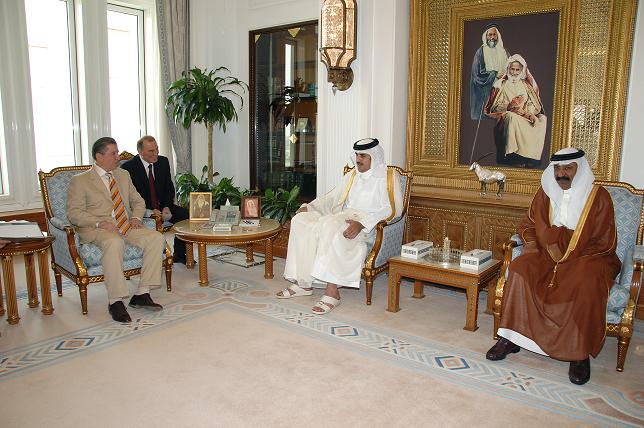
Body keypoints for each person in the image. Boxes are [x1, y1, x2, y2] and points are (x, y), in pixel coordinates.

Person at [486, 148, 620, 385]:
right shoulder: (546, 191)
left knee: (586, 281)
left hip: (586, 256)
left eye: (568, 168)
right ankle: (511, 337)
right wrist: (537, 244)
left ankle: (578, 354)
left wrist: (568, 247)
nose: (561, 174)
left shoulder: (599, 197)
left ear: (580, 169)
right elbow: (529, 226)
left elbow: (605, 240)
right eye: (557, 168)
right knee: (519, 269)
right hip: (545, 251)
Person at [276, 138, 403, 314]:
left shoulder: (388, 176)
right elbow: (331, 197)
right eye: (357, 155)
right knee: (301, 221)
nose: (358, 159)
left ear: (374, 156)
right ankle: (303, 283)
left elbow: (394, 209)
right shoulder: (352, 176)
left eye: (363, 156)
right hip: (342, 218)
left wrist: (362, 224)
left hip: (367, 225)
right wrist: (309, 207)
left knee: (331, 227)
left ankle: (332, 292)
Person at [67, 137, 165, 323]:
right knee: (114, 242)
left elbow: (138, 201)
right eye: (114, 153)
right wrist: (99, 223)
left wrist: (136, 217)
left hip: (126, 224)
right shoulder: (80, 181)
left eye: (117, 152)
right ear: (99, 157)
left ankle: (142, 293)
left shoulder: (123, 175)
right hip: (98, 229)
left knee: (156, 238)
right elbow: (74, 214)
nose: (118, 157)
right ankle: (115, 301)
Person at [121, 135, 190, 264]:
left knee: (186, 216)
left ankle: (179, 254)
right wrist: (151, 210)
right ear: (140, 152)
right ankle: (156, 253)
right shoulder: (128, 168)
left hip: (163, 206)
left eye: (157, 149)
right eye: (151, 151)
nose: (156, 153)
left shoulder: (163, 161)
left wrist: (167, 206)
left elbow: (169, 188)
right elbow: (132, 198)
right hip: (144, 209)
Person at [485, 54, 547, 167]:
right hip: (509, 114)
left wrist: (527, 113)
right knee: (511, 116)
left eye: (517, 70)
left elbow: (533, 104)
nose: (514, 72)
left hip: (525, 115)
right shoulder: (502, 85)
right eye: (512, 69)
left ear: (522, 70)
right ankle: (514, 155)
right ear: (508, 69)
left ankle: (532, 156)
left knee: (542, 119)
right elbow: (496, 106)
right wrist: (510, 106)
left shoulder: (526, 85)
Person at [470, 25, 509, 120]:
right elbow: (477, 73)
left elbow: (511, 68)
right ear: (486, 36)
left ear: (497, 36)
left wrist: (504, 76)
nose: (492, 37)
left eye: (494, 35)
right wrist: (494, 74)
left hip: (502, 89)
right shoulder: (480, 52)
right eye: (490, 35)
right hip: (486, 89)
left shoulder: (503, 51)